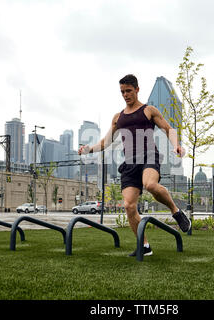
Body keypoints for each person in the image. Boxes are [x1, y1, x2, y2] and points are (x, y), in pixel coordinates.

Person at [78, 74, 191, 257]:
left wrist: (176, 145)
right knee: (129, 206)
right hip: (129, 163)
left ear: (137, 89)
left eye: (129, 91)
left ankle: (176, 211)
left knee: (150, 184)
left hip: (149, 156)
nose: (125, 95)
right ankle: (144, 246)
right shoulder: (118, 117)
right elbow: (105, 142)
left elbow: (168, 129)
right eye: (122, 92)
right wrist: (88, 149)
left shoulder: (148, 110)